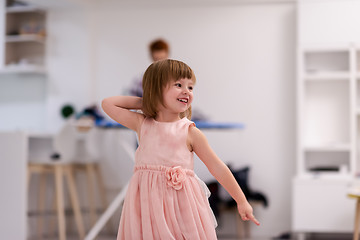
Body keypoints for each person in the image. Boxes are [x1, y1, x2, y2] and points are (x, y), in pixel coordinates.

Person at [102, 59, 260, 239]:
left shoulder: (190, 132)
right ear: (156, 89)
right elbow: (108, 104)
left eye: (190, 87)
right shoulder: (143, 124)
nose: (187, 91)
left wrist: (241, 201)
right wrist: (147, 102)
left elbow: (217, 167)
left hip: (180, 204)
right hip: (147, 204)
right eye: (178, 85)